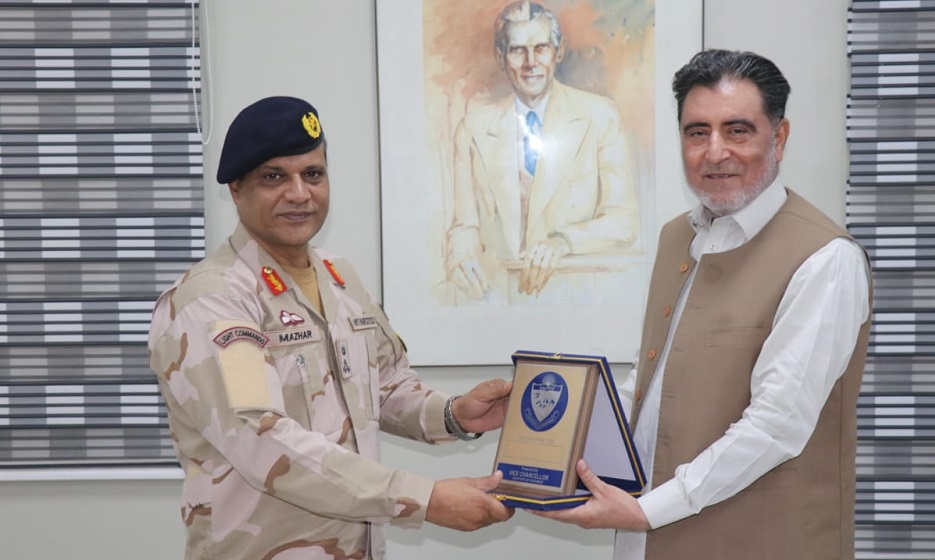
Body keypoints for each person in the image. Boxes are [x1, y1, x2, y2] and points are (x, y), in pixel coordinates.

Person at [533, 49, 873, 560]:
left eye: (737, 130)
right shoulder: (679, 238)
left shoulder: (825, 258)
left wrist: (649, 509)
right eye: (697, 132)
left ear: (778, 137)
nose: (715, 152)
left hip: (762, 542)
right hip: (646, 534)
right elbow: (649, 384)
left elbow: (777, 424)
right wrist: (552, 446)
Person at [148, 96, 514, 560]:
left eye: (313, 174)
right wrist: (424, 498)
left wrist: (454, 414)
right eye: (274, 177)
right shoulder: (214, 298)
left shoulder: (339, 277)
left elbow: (382, 387)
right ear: (237, 188)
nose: (299, 193)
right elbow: (261, 437)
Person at [447, 0, 639, 301]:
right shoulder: (472, 128)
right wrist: (460, 256)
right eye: (517, 50)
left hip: (579, 296)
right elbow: (464, 226)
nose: (530, 63)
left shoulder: (601, 116)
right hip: (500, 301)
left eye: (541, 48)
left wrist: (563, 242)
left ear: (558, 52)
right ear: (500, 57)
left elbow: (624, 222)